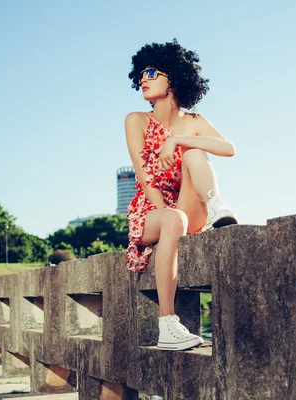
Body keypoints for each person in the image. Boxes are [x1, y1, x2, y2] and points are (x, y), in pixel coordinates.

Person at [124, 39, 237, 351]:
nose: (143, 80)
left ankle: (216, 205)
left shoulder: (194, 121)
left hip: (189, 206)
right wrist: (166, 213)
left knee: (194, 153)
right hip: (151, 213)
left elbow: (229, 148)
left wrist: (178, 140)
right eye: (140, 75)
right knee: (173, 217)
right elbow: (144, 175)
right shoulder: (137, 120)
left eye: (150, 72)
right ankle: (167, 324)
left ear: (172, 76)